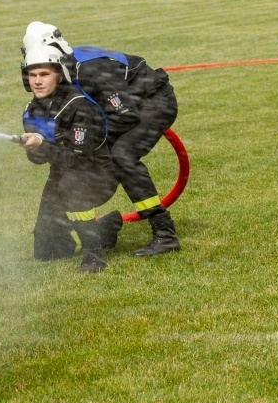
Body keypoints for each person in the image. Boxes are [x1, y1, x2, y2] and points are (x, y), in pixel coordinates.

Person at [21, 22, 181, 257]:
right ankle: (95, 232)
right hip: (117, 111)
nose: (37, 77)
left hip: (152, 101)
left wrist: (85, 143)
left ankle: (165, 232)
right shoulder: (55, 74)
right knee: (67, 165)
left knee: (121, 154)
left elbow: (125, 116)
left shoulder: (90, 70)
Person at [16, 39, 119, 272]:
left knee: (71, 183)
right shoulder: (32, 110)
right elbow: (39, 159)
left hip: (97, 174)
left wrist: (42, 145)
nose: (38, 81)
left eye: (44, 74)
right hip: (61, 174)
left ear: (60, 76)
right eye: (32, 75)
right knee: (48, 251)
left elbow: (78, 159)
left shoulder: (79, 106)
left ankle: (94, 255)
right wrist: (33, 149)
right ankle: (106, 227)